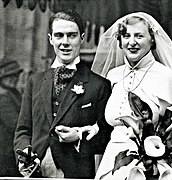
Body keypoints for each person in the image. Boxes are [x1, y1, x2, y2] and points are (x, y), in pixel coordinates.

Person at [91, 12, 172, 180]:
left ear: (152, 39)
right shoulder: (113, 76)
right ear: (120, 41)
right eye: (126, 36)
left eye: (139, 36)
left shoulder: (165, 76)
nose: (132, 42)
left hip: (153, 166)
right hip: (112, 161)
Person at [14, 9, 113, 178]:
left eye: (71, 35)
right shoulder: (35, 82)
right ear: (50, 39)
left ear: (81, 38)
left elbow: (107, 137)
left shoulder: (99, 85)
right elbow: (23, 130)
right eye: (59, 35)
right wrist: (25, 155)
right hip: (36, 173)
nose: (65, 42)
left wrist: (79, 136)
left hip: (75, 173)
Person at [0, 60, 23, 176]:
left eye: (17, 75)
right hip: (5, 150)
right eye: (11, 76)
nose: (15, 78)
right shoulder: (2, 97)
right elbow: (16, 125)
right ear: (2, 77)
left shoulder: (13, 93)